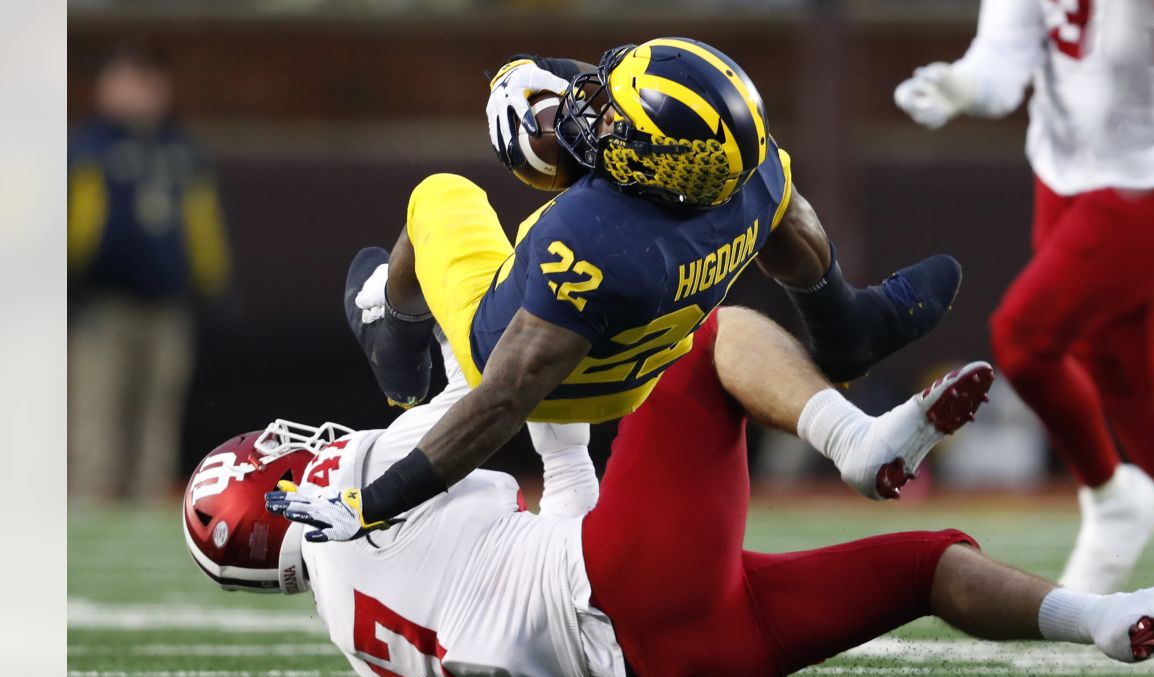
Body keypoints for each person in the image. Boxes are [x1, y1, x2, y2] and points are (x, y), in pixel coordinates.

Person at [183, 304, 1154, 677]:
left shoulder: (358, 639)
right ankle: (855, 438)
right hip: (623, 592)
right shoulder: (361, 495)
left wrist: (557, 420)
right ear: (281, 497)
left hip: (672, 663)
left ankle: (1111, 623)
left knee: (926, 564)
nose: (304, 449)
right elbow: (502, 373)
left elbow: (542, 544)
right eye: (279, 459)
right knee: (706, 340)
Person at [282, 37, 964, 540]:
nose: (597, 111)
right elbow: (781, 214)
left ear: (652, 159)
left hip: (556, 377)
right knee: (763, 207)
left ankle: (394, 342)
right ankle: (846, 325)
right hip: (642, 365)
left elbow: (504, 400)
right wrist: (838, 316)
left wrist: (373, 502)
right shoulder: (751, 173)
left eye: (615, 115)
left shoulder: (585, 239)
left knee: (440, 198)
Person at [893, 0, 1154, 592]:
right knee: (1124, 373)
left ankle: (1110, 496)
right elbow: (1005, 60)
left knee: (1024, 339)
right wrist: (962, 85)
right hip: (1066, 168)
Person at [68, 40, 232, 503]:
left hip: (166, 303)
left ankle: (147, 497)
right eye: (127, 80)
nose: (138, 93)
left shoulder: (181, 150)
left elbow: (203, 224)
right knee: (95, 412)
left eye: (148, 82)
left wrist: (213, 285)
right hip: (102, 303)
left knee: (157, 414)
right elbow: (69, 221)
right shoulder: (86, 148)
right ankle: (88, 499)